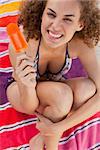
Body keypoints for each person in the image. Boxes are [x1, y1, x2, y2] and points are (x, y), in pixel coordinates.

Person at [7, 0, 100, 149]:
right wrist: (27, 85)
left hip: (53, 87)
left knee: (87, 89)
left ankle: (40, 138)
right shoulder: (25, 41)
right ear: (42, 14)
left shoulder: (81, 44)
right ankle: (51, 145)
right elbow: (29, 105)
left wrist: (60, 127)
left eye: (67, 19)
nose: (55, 26)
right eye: (51, 14)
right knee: (62, 96)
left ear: (80, 24)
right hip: (21, 92)